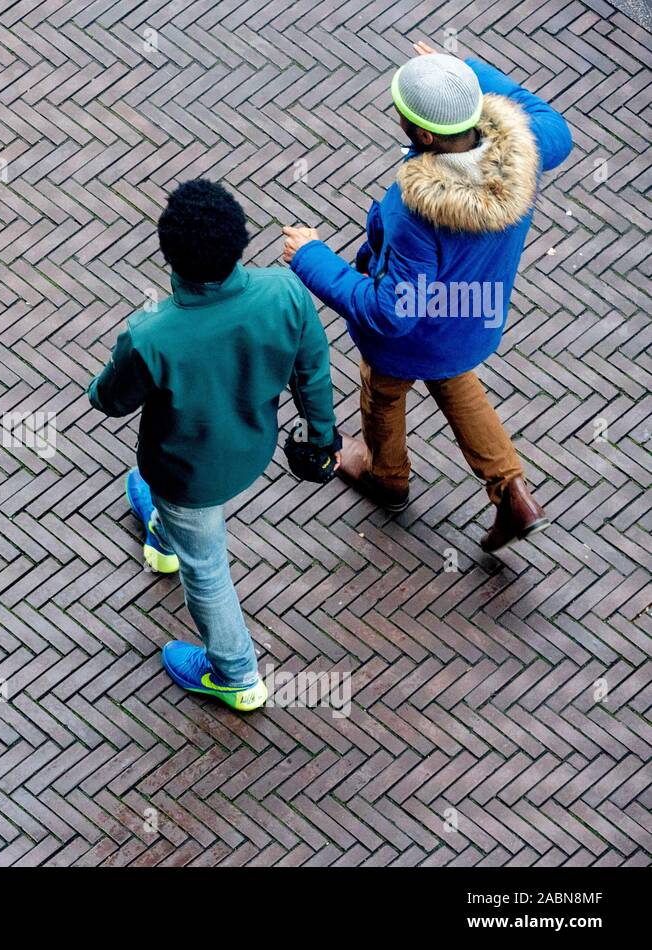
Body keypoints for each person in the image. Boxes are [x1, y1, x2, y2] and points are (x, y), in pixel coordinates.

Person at [282, 41, 572, 552]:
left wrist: (311, 256)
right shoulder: (528, 149)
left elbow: (391, 312)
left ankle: (386, 478)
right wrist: (462, 76)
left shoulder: (416, 211)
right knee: (455, 380)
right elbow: (553, 122)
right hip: (470, 320)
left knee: (383, 391)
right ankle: (511, 492)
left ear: (421, 133)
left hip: (411, 337)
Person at [89, 180, 339, 712]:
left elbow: (109, 401)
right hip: (251, 450)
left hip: (185, 474)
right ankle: (160, 536)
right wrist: (321, 440)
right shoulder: (287, 292)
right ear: (240, 241)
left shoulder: (152, 335)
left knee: (205, 569)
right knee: (178, 521)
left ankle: (235, 673)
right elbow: (313, 373)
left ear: (169, 255)